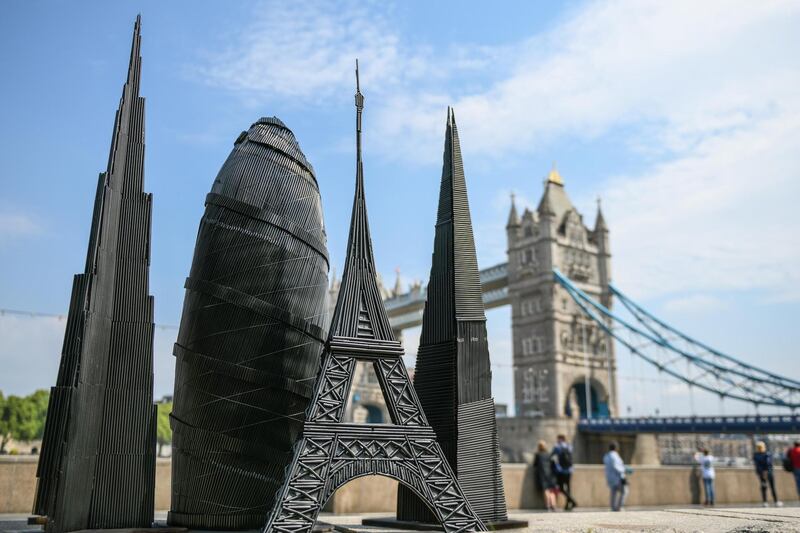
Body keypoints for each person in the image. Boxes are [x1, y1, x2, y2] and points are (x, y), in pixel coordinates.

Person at [551, 434, 577, 511]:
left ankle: (572, 501)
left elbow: (552, 456)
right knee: (568, 488)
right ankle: (568, 505)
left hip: (561, 471)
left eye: (558, 439)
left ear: (560, 439)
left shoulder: (557, 447)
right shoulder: (569, 446)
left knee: (561, 488)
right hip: (569, 470)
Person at [753, 441, 782, 507]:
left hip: (761, 473)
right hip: (769, 472)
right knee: (772, 487)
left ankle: (765, 502)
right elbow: (768, 463)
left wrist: (761, 472)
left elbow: (757, 465)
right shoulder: (767, 454)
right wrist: (766, 471)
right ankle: (776, 501)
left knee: (763, 487)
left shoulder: (756, 455)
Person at [533, 440, 559, 511]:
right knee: (551, 490)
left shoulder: (538, 454)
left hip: (542, 474)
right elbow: (552, 464)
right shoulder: (548, 454)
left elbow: (535, 464)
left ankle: (548, 505)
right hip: (550, 474)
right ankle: (553, 505)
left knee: (546, 490)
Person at [603, 441, 627, 512]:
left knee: (613, 493)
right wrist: (624, 470)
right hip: (617, 478)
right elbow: (616, 466)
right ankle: (619, 507)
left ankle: (613, 508)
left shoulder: (606, 456)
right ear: (616, 448)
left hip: (610, 478)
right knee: (624, 491)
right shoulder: (614, 456)